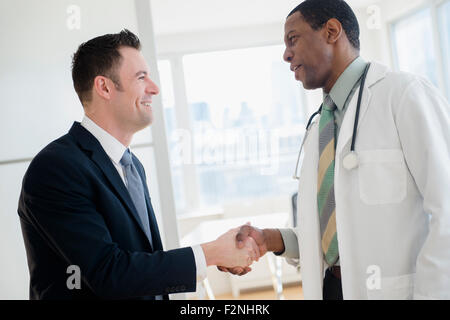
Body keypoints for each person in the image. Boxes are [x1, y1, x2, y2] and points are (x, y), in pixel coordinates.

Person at [222, 0, 450, 300]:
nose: (286, 54)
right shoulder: (321, 125)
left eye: (293, 39)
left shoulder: (404, 95)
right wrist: (271, 239)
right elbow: (335, 232)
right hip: (332, 290)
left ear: (331, 31)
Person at [17, 30, 259, 300]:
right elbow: (109, 274)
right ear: (105, 87)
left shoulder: (132, 166)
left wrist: (216, 255)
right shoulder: (56, 168)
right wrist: (210, 252)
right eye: (141, 77)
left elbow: (141, 262)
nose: (154, 88)